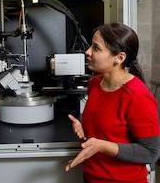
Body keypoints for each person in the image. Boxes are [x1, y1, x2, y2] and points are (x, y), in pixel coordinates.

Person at [65, 23, 160, 183]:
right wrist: (82, 126)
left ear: (119, 58)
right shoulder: (95, 84)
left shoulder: (137, 95)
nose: (87, 52)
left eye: (96, 48)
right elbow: (106, 128)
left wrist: (101, 146)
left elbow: (151, 152)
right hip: (91, 177)